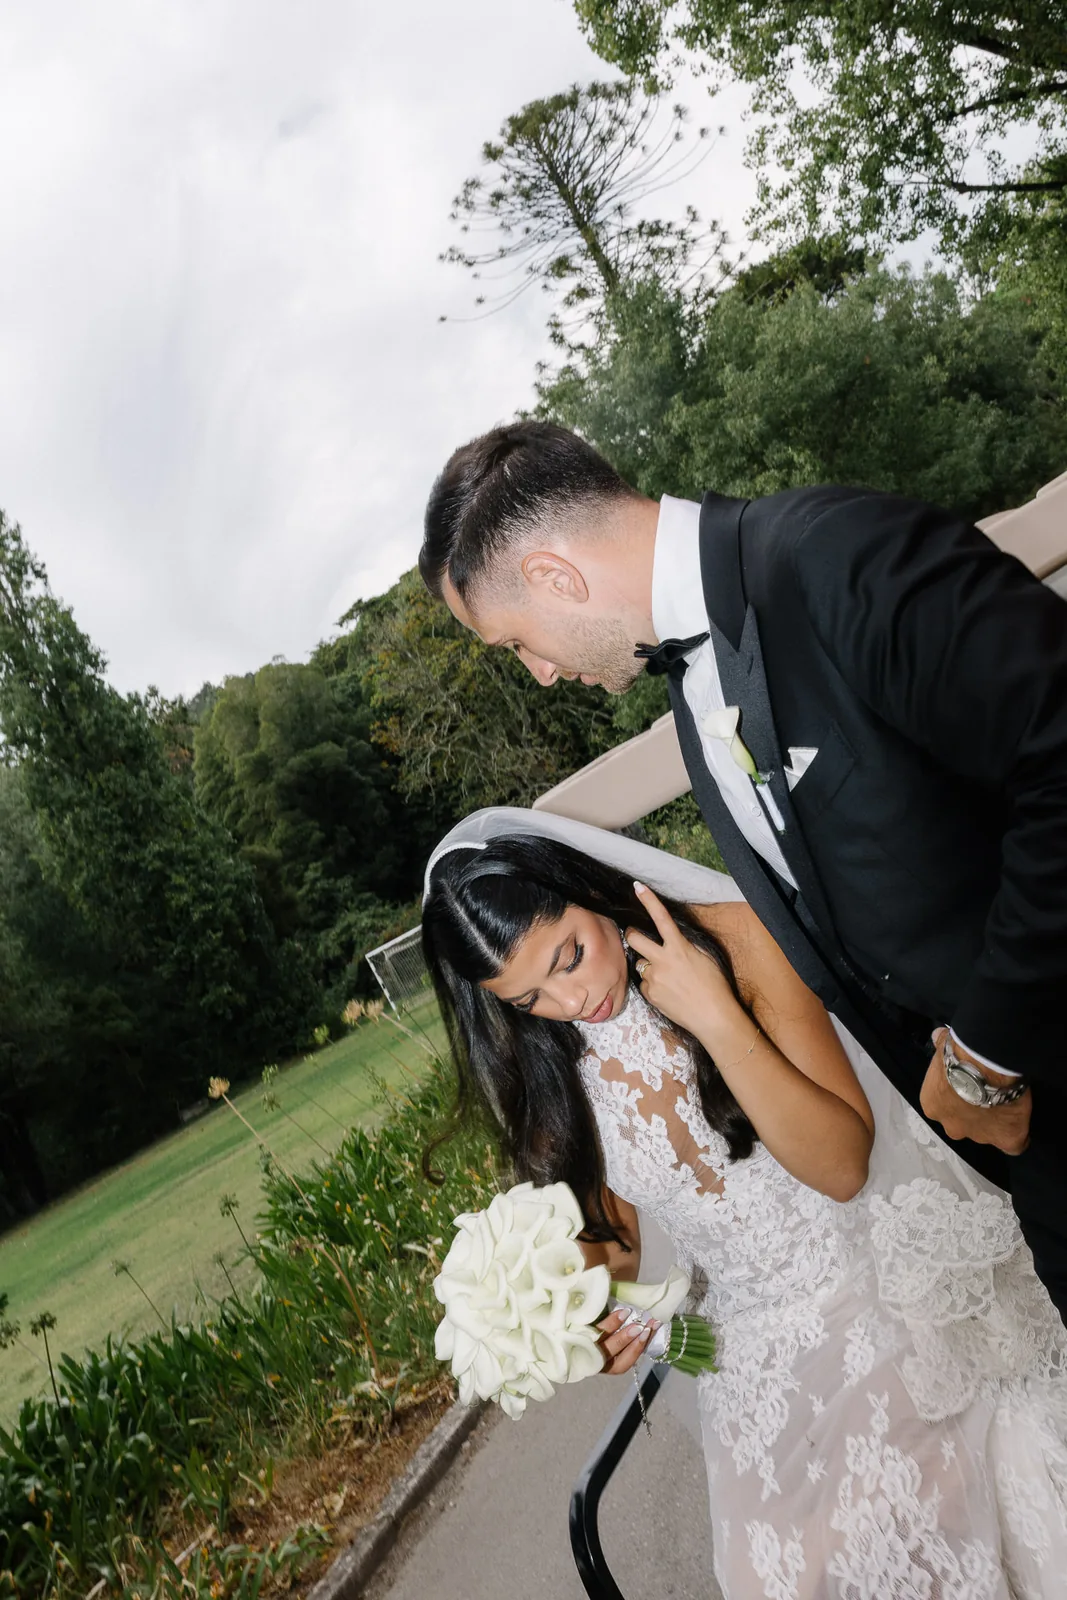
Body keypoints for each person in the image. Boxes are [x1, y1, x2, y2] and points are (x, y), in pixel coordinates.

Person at [419, 421, 1067, 1324]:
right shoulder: (691, 696)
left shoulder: (832, 554)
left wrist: (985, 1060)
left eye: (514, 643)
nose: (538, 673)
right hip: (1033, 1151)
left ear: (553, 578)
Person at [422, 807, 1067, 1600]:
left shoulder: (736, 939)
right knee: (768, 1577)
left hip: (876, 1292)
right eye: (525, 1000)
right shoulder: (555, 1061)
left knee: (894, 1532)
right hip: (742, 1355)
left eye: (569, 957)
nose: (569, 1001)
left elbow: (840, 1169)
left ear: (585, 890)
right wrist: (575, 1306)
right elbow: (616, 1243)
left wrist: (716, 1018)